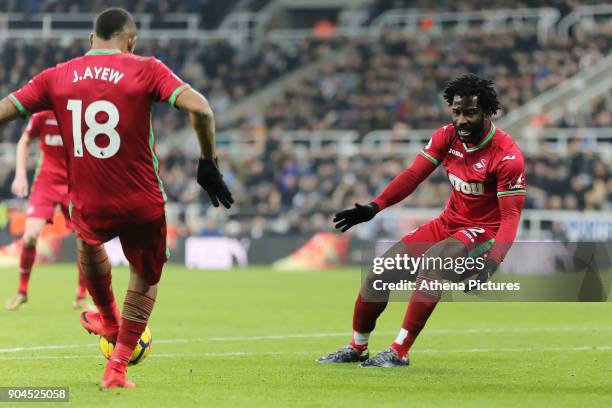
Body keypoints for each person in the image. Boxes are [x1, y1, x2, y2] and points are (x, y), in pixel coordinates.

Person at [0, 7, 233, 387]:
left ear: (91, 40)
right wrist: (208, 162)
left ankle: (107, 319)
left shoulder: (56, 76)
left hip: (90, 199)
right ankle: (117, 368)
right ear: (131, 41)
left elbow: (6, 110)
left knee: (88, 243)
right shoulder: (147, 68)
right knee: (145, 273)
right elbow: (202, 110)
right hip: (141, 198)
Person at [318, 74, 526, 368]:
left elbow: (510, 215)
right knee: (380, 272)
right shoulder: (446, 136)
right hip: (448, 223)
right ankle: (357, 346)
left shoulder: (507, 156)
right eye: (457, 112)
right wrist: (374, 206)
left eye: (470, 112)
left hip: (484, 233)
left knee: (434, 263)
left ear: (487, 112)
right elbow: (413, 175)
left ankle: (399, 351)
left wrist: (493, 261)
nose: (462, 119)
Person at [4, 110, 91, 311]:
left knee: (86, 240)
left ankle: (81, 296)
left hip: (74, 183)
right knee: (30, 236)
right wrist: (20, 174)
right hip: (46, 182)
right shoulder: (42, 114)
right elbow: (24, 141)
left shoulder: (80, 111)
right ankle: (22, 292)